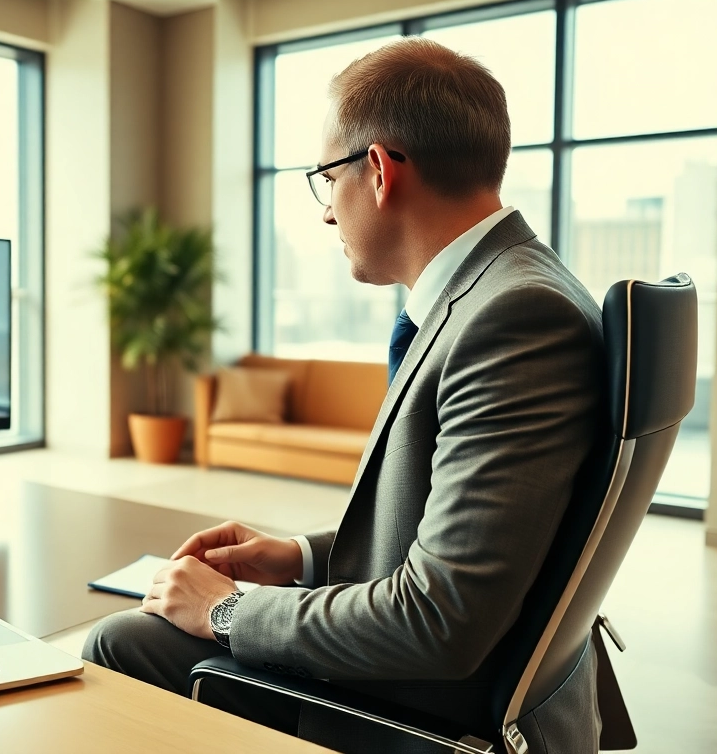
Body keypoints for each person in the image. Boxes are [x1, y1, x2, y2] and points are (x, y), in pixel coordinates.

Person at [83, 38, 607, 754]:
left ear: (381, 170)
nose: (327, 211)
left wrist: (231, 610)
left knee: (119, 643)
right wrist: (295, 556)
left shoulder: (512, 319)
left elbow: (438, 620)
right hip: (468, 665)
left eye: (327, 178)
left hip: (432, 702)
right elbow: (450, 537)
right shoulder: (502, 288)